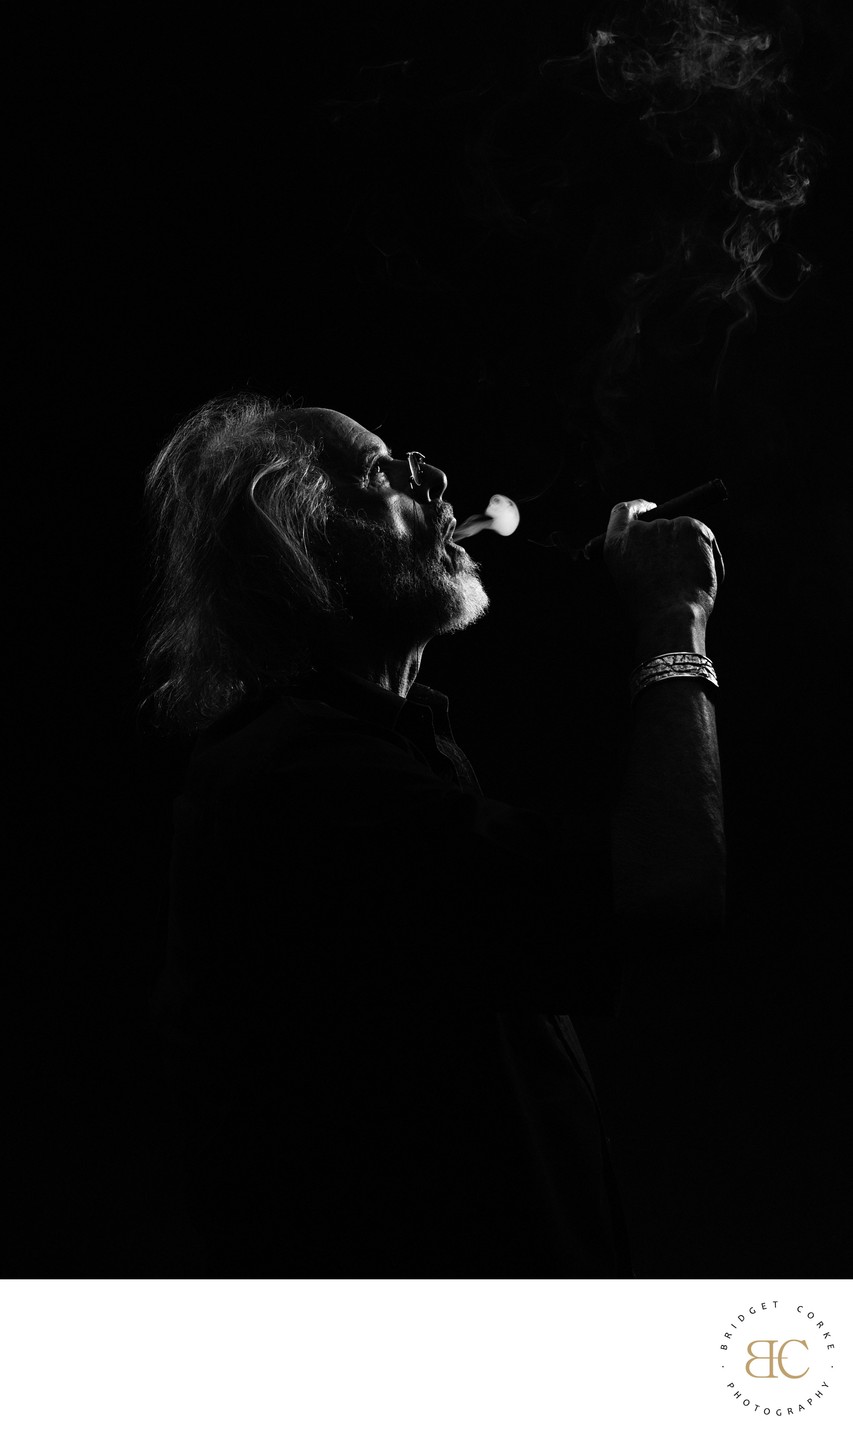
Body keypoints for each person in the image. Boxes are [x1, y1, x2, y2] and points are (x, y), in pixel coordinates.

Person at [142, 394, 725, 1276]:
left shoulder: (363, 759)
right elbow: (666, 884)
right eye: (384, 473)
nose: (439, 479)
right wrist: (673, 622)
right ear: (301, 537)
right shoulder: (301, 781)